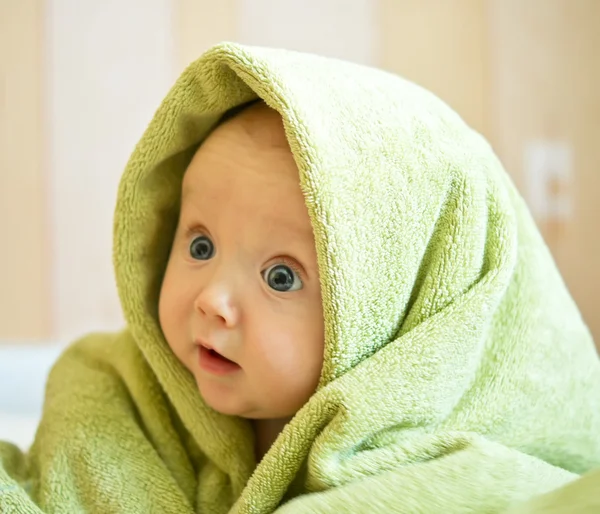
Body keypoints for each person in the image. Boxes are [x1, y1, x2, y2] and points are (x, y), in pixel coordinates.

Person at [1, 42, 599, 513]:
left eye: (281, 277)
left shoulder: (455, 474)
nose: (212, 301)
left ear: (392, 317)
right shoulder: (118, 394)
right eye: (201, 244)